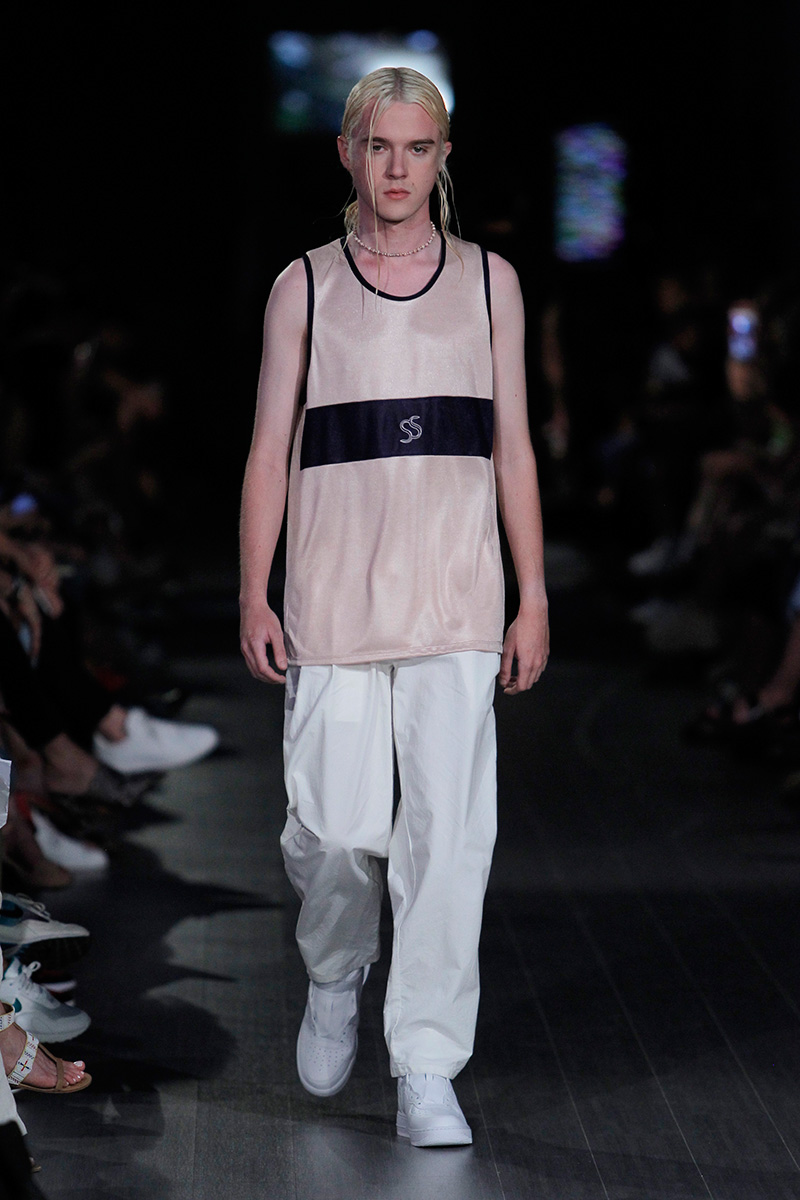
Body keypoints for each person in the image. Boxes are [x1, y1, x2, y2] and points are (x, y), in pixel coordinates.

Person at [240, 66, 548, 1148]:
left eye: (419, 148)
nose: (398, 168)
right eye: (380, 147)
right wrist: (253, 589)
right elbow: (268, 451)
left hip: (456, 594)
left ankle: (425, 1062)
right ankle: (336, 969)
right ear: (347, 153)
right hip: (332, 591)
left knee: (446, 839)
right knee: (330, 830)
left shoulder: (491, 283)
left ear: (443, 157)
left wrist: (531, 597)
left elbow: (512, 448)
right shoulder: (304, 286)